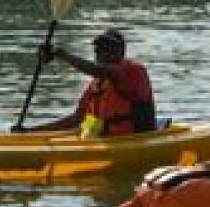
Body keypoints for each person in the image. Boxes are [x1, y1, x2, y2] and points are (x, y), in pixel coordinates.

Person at [29, 28, 157, 137]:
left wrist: (61, 54)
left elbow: (97, 70)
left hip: (134, 140)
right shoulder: (97, 84)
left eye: (108, 47)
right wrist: (32, 132)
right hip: (102, 141)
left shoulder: (133, 71)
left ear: (121, 52)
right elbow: (76, 119)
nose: (102, 52)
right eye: (99, 48)